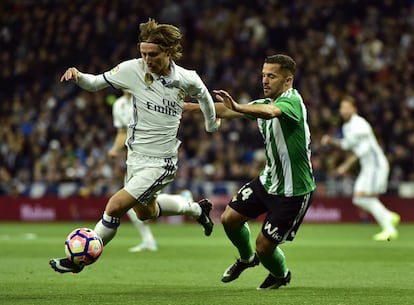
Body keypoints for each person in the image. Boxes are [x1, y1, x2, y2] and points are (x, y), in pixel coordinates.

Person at [50, 18, 220, 273]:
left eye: (153, 54)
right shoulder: (133, 69)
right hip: (136, 158)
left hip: (161, 162)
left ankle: (78, 262)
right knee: (145, 213)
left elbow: (205, 97)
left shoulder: (188, 78)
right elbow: (96, 83)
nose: (147, 59)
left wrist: (211, 124)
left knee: (115, 206)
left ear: (169, 52)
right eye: (143, 53)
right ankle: (197, 209)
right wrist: (78, 76)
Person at [186, 54, 316, 289]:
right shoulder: (261, 104)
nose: (265, 80)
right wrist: (187, 107)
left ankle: (280, 275)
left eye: (271, 76)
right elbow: (223, 111)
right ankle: (247, 259)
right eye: (263, 75)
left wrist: (237, 106)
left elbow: (270, 112)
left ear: (288, 80)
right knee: (229, 219)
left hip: (293, 191)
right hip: (268, 182)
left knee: (264, 247)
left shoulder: (291, 102)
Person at [321, 96, 400, 241]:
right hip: (368, 166)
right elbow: (346, 145)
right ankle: (389, 216)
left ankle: (389, 228)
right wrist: (331, 141)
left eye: (346, 107)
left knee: (362, 198)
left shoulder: (360, 124)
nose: (343, 110)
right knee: (359, 199)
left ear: (354, 109)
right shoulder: (347, 126)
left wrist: (345, 166)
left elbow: (362, 151)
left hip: (376, 165)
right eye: (341, 107)